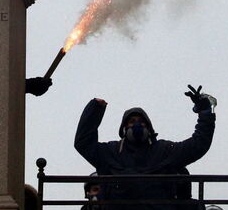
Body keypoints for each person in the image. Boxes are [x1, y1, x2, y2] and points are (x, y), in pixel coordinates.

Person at [74, 84, 217, 210]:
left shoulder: (165, 150)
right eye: (131, 121)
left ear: (149, 128)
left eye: (141, 121)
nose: (137, 124)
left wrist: (205, 113)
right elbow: (83, 143)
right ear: (123, 128)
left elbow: (198, 145)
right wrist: (94, 110)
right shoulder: (110, 152)